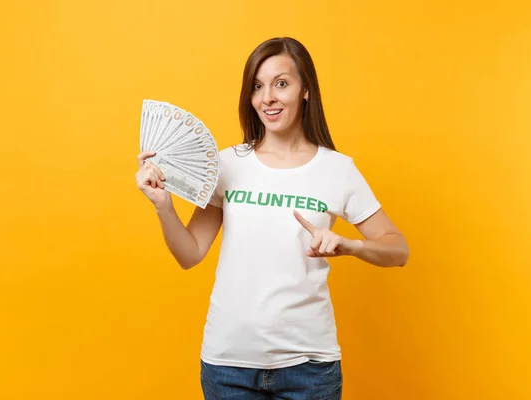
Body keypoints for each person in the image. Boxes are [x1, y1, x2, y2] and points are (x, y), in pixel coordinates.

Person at [135, 37, 409, 400]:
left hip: (309, 370)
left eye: (281, 83)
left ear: (305, 89)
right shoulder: (228, 164)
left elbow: (398, 249)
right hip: (227, 366)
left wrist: (351, 245)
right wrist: (163, 206)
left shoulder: (337, 170)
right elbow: (189, 254)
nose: (268, 98)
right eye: (258, 86)